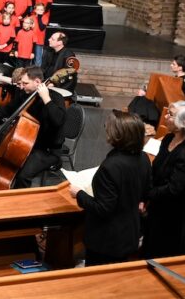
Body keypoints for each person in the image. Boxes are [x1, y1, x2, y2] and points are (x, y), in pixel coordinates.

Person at [69, 111, 151, 266]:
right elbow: (146, 191)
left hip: (107, 239)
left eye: (109, 128)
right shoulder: (143, 157)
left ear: (119, 135)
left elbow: (103, 208)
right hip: (129, 232)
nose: (106, 129)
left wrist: (78, 194)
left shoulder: (111, 166)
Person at [0, 66, 66, 188]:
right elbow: (8, 109)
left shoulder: (56, 98)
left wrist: (46, 99)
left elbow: (58, 121)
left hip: (47, 150)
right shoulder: (26, 95)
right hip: (28, 144)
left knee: (23, 175)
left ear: (38, 82)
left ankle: (19, 201)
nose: (21, 87)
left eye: (25, 83)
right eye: (21, 83)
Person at [141, 101, 185, 258]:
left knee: (162, 251)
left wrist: (148, 194)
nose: (166, 116)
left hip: (172, 213)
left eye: (171, 115)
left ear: (183, 124)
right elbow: (156, 168)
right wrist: (145, 197)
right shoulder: (168, 139)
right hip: (156, 203)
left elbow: (174, 189)